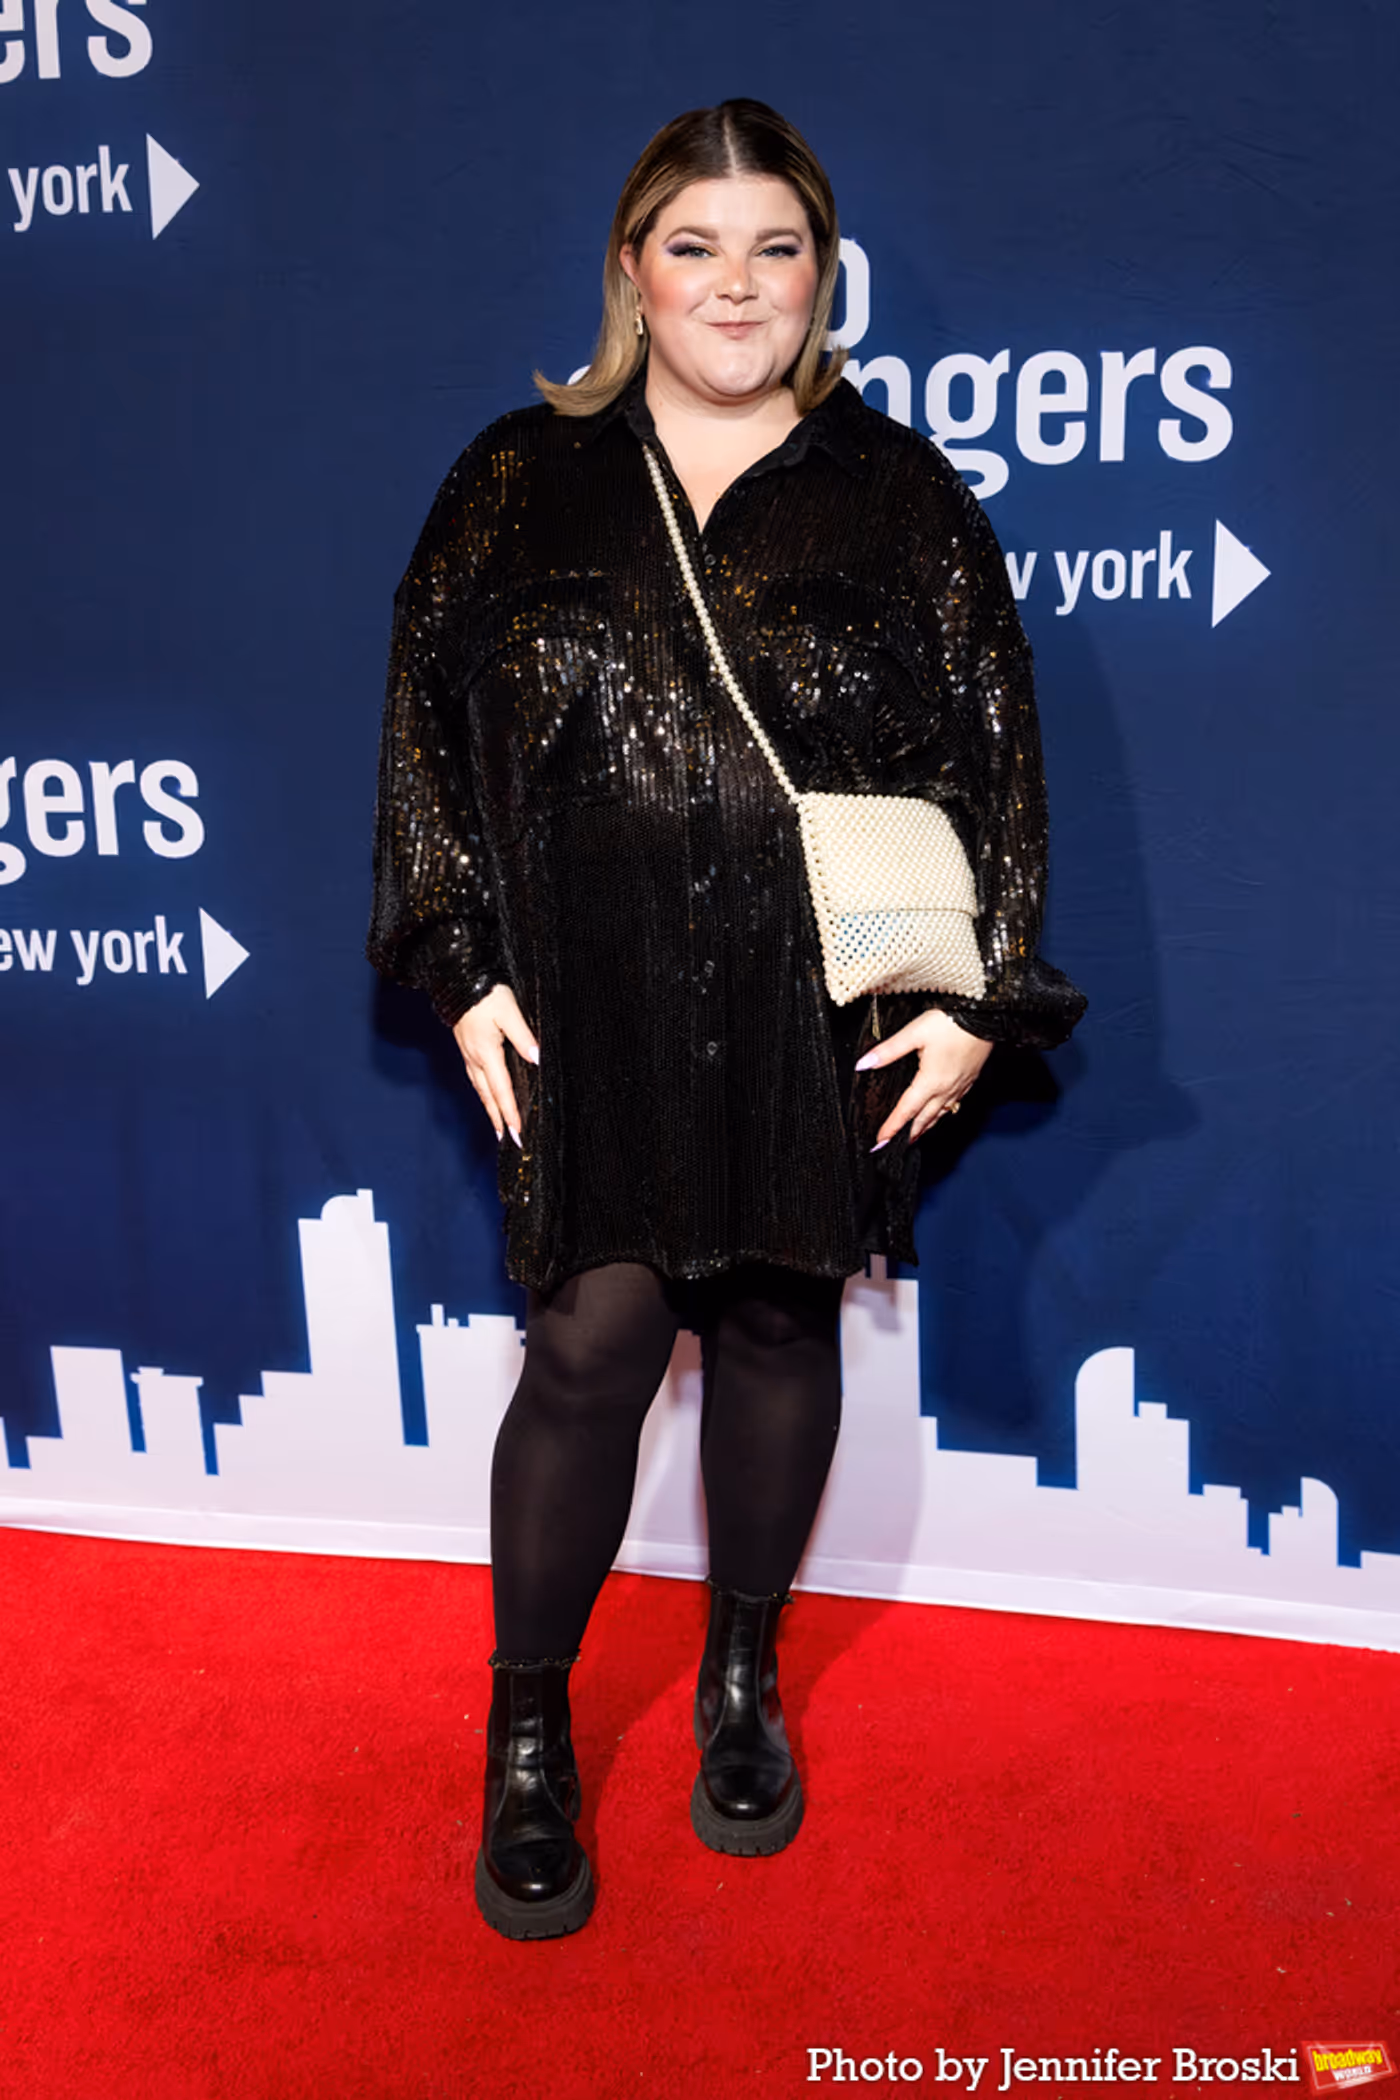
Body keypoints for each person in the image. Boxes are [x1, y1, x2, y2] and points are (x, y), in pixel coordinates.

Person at [366, 97, 1085, 1942]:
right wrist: (460, 968)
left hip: (812, 1006)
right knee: (595, 1345)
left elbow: (998, 753)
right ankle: (530, 1733)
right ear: (632, 268)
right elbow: (426, 747)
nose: (736, 284)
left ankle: (741, 1679)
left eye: (777, 249)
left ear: (823, 275)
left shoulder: (903, 492)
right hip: (584, 1005)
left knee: (776, 1321)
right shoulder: (515, 480)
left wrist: (985, 1004)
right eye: (696, 245)